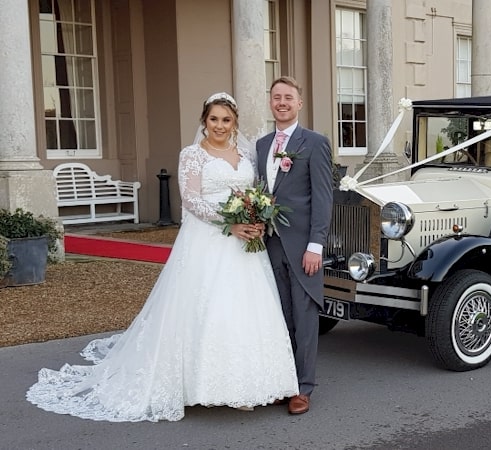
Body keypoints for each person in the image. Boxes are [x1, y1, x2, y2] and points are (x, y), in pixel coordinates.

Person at [26, 92, 298, 422]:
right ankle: (205, 385)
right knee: (207, 307)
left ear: (235, 122)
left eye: (226, 120)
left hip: (245, 246)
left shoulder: (246, 154)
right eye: (213, 119)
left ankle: (252, 384)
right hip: (208, 240)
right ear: (204, 121)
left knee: (246, 308)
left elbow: (255, 192)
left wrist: (254, 219)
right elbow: (192, 201)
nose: (220, 126)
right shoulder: (192, 155)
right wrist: (233, 223)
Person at [257, 76, 333, 415]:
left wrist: (316, 245)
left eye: (288, 97)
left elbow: (323, 198)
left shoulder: (314, 143)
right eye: (277, 97)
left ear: (299, 103)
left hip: (303, 246)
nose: (282, 102)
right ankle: (282, 382)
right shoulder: (261, 145)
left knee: (304, 316)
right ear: (271, 102)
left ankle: (303, 388)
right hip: (269, 244)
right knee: (279, 316)